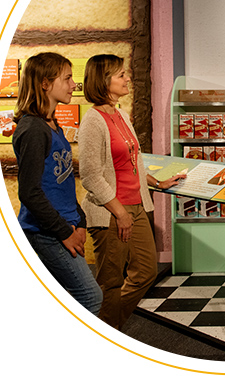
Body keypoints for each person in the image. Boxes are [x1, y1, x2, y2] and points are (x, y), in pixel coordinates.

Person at [78, 54, 185, 330]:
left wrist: (156, 182)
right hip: (110, 211)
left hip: (137, 205)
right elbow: (90, 175)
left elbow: (132, 162)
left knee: (146, 272)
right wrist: (120, 213)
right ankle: (107, 333)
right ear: (104, 81)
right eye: (121, 74)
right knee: (110, 281)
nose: (128, 78)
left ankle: (106, 324)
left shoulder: (121, 114)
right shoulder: (92, 120)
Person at [12, 52, 102, 315]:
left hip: (65, 224)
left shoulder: (52, 124)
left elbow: (60, 181)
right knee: (90, 296)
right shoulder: (32, 129)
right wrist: (64, 231)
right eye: (67, 78)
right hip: (46, 230)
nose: (73, 84)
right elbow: (29, 192)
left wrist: (80, 220)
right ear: (45, 84)